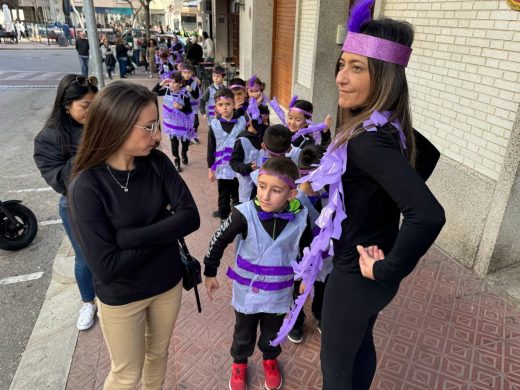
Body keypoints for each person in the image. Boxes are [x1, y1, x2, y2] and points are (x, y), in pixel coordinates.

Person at [275, 2, 446, 388]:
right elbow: (428, 156)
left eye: (357, 67)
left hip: (359, 273)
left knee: (335, 370)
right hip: (371, 271)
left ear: (384, 77)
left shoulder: (369, 141)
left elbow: (429, 215)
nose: (340, 77)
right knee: (359, 346)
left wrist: (387, 267)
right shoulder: (390, 126)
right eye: (342, 64)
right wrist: (376, 197)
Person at [69, 82, 200, 389]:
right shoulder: (87, 186)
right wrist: (166, 225)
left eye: (158, 125)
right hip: (122, 297)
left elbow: (190, 217)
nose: (158, 135)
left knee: (158, 354)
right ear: (117, 125)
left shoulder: (156, 162)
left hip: (167, 284)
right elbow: (106, 267)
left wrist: (129, 237)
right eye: (150, 126)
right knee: (126, 375)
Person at [204, 156, 312, 390]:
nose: (265, 195)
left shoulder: (302, 217)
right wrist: (210, 271)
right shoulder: (243, 214)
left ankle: (270, 359)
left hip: (279, 294)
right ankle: (239, 363)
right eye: (262, 187)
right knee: (243, 333)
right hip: (248, 294)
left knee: (272, 333)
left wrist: (304, 279)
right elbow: (218, 240)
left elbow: (307, 251)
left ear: (291, 194)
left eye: (276, 190)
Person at [33, 74, 99, 331]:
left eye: (95, 105)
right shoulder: (48, 138)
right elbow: (60, 181)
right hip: (75, 206)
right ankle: (87, 302)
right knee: (84, 257)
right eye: (85, 107)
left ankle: (108, 300)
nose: (91, 112)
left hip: (109, 200)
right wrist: (89, 149)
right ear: (66, 105)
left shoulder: (99, 124)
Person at [287, 144, 330, 343]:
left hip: (325, 258)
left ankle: (320, 314)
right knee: (297, 292)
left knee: (323, 288)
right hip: (299, 260)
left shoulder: (330, 195)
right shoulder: (293, 202)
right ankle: (296, 321)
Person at [207, 88, 246, 220]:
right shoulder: (214, 124)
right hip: (222, 168)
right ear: (216, 107)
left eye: (228, 104)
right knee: (223, 194)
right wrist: (210, 168)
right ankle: (223, 216)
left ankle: (236, 218)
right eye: (221, 105)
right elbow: (211, 147)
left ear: (234, 104)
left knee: (237, 193)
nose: (225, 108)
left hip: (238, 166)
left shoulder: (242, 121)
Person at [153, 72, 194, 171]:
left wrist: (181, 107)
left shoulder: (185, 95)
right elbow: (153, 92)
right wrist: (162, 83)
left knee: (185, 143)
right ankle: (176, 160)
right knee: (174, 143)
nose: (171, 85)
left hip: (183, 123)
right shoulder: (166, 91)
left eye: (175, 83)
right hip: (171, 123)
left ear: (180, 84)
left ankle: (184, 152)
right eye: (170, 82)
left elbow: (189, 110)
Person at [180, 63, 202, 144]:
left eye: (189, 72)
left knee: (196, 122)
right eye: (185, 73)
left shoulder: (194, 82)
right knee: (186, 122)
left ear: (192, 73)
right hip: (184, 106)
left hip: (193, 106)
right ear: (182, 73)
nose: (187, 74)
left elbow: (196, 96)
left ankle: (193, 135)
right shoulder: (179, 82)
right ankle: (187, 137)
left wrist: (191, 90)